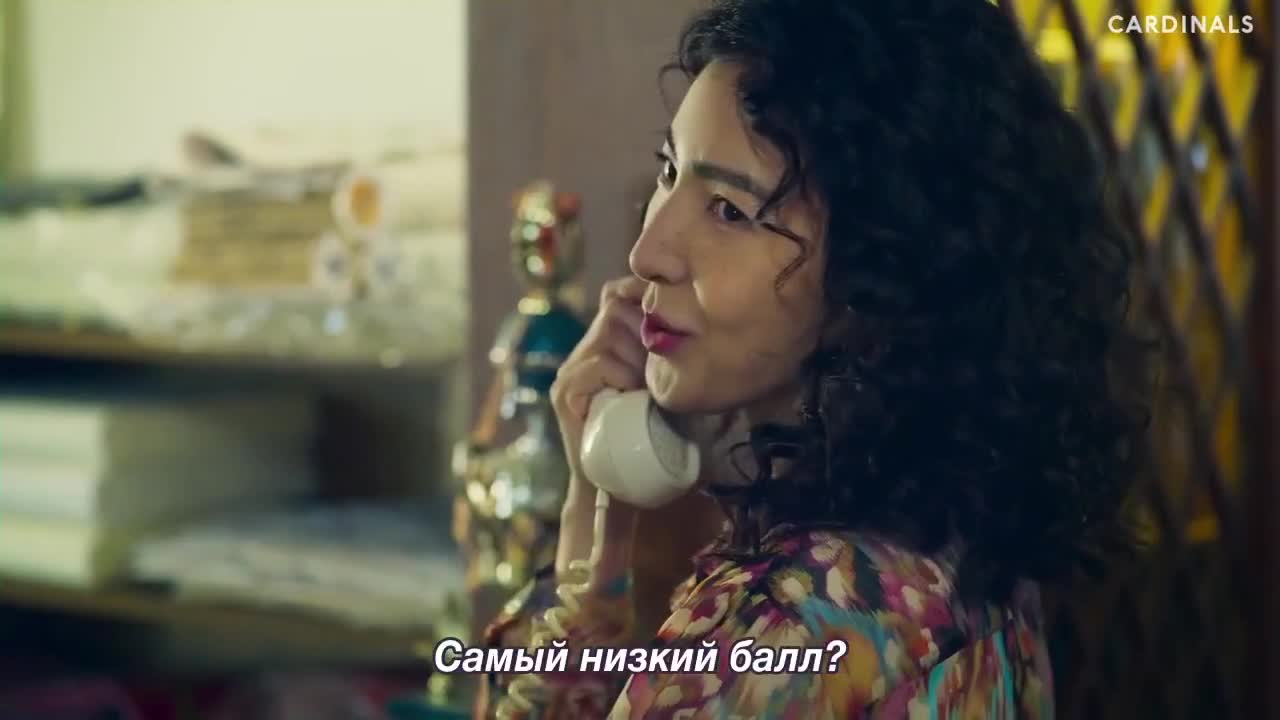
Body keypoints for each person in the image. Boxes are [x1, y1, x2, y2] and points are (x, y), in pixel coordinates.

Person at [477, 0, 1150, 717]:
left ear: (877, 273)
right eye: (670, 172)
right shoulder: (959, 565)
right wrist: (600, 520)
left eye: (729, 210)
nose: (648, 253)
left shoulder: (785, 625)